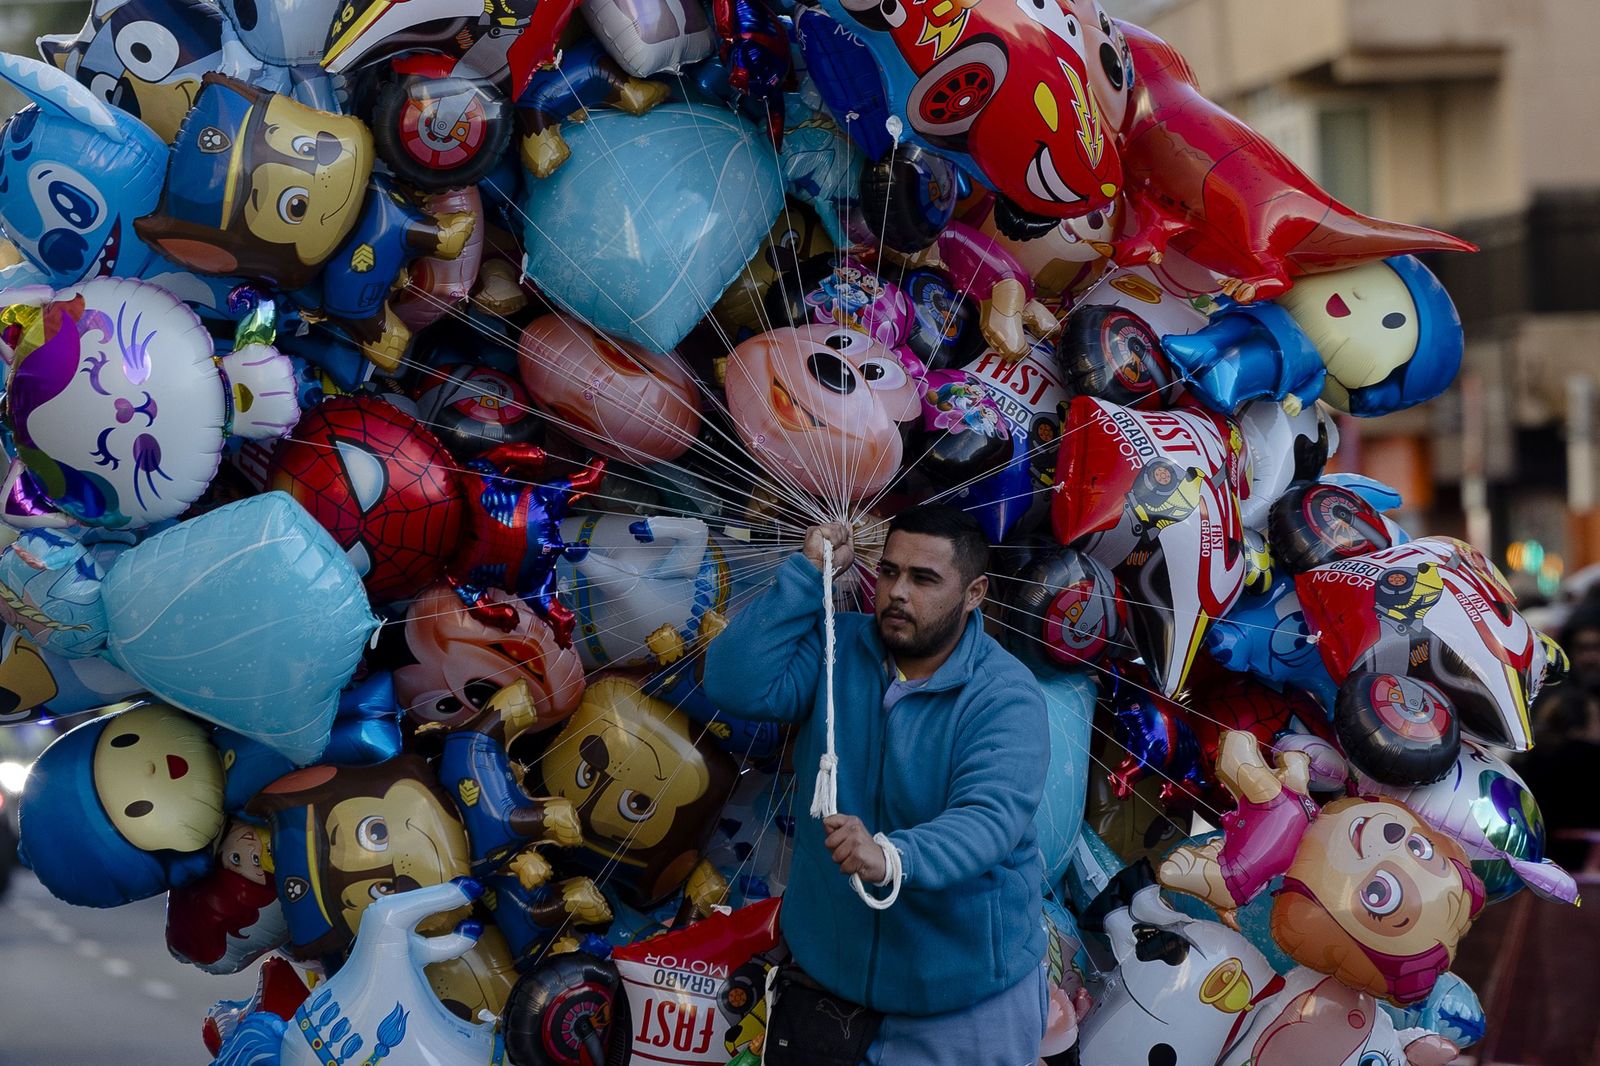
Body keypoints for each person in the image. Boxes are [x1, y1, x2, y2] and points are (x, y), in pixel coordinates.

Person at [703, 504, 1052, 1066]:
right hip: (827, 983)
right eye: (889, 571)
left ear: (976, 593)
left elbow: (989, 820)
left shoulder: (1004, 696)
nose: (897, 592)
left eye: (924, 578)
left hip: (958, 1002)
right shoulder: (842, 646)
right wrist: (804, 574)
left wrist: (892, 857)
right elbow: (734, 682)